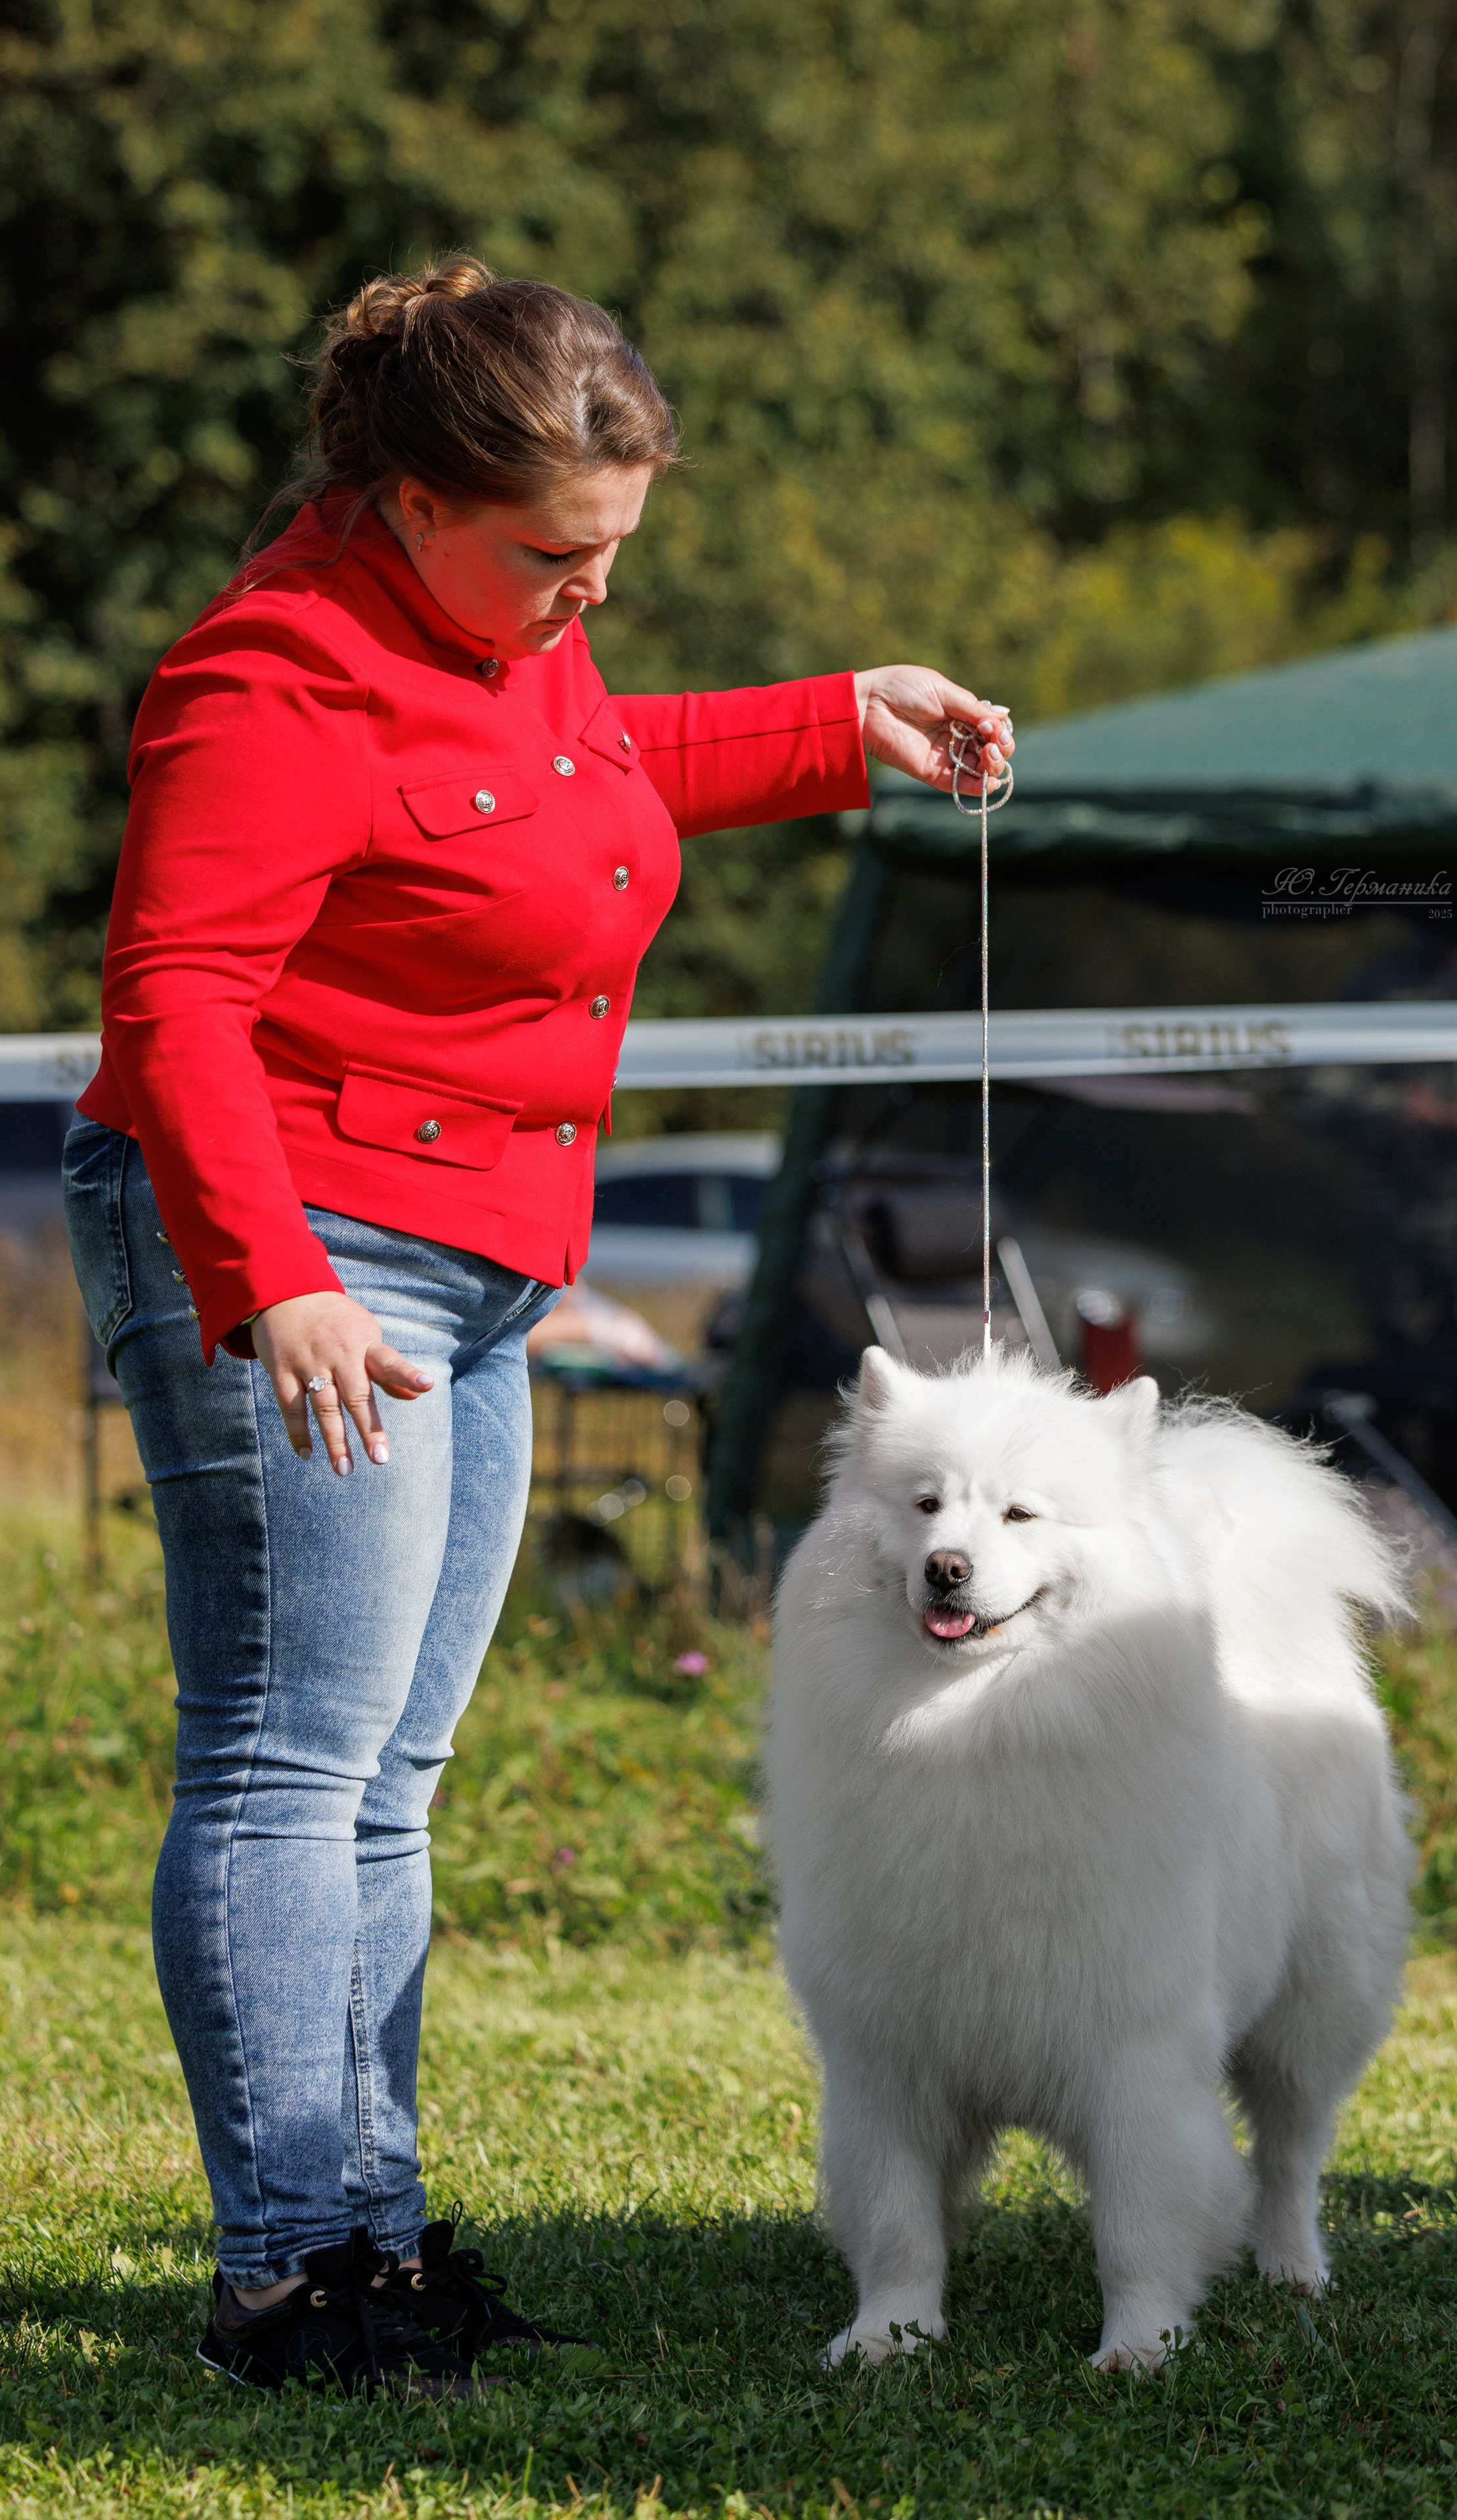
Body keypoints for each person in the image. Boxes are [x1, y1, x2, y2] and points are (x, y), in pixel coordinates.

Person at [61, 255, 1012, 2399]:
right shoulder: (267, 676)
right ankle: (289, 2277)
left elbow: (581, 766)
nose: (592, 594)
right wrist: (275, 1279)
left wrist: (842, 719)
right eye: (556, 556)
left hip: (478, 1261)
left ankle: (378, 2240)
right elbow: (177, 999)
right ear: (412, 501)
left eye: (615, 552)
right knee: (291, 1760)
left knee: (391, 1779)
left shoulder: (504, 639)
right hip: (304, 1250)